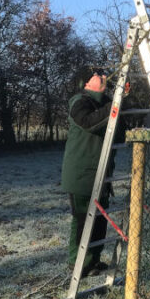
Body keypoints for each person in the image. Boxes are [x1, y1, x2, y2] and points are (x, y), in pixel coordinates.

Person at [61, 73, 115, 277]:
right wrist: (115, 105)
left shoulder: (107, 102)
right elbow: (88, 122)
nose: (103, 75)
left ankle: (93, 260)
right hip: (82, 172)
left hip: (101, 171)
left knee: (100, 220)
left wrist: (123, 99)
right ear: (86, 83)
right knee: (83, 219)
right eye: (96, 74)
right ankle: (77, 263)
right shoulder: (79, 102)